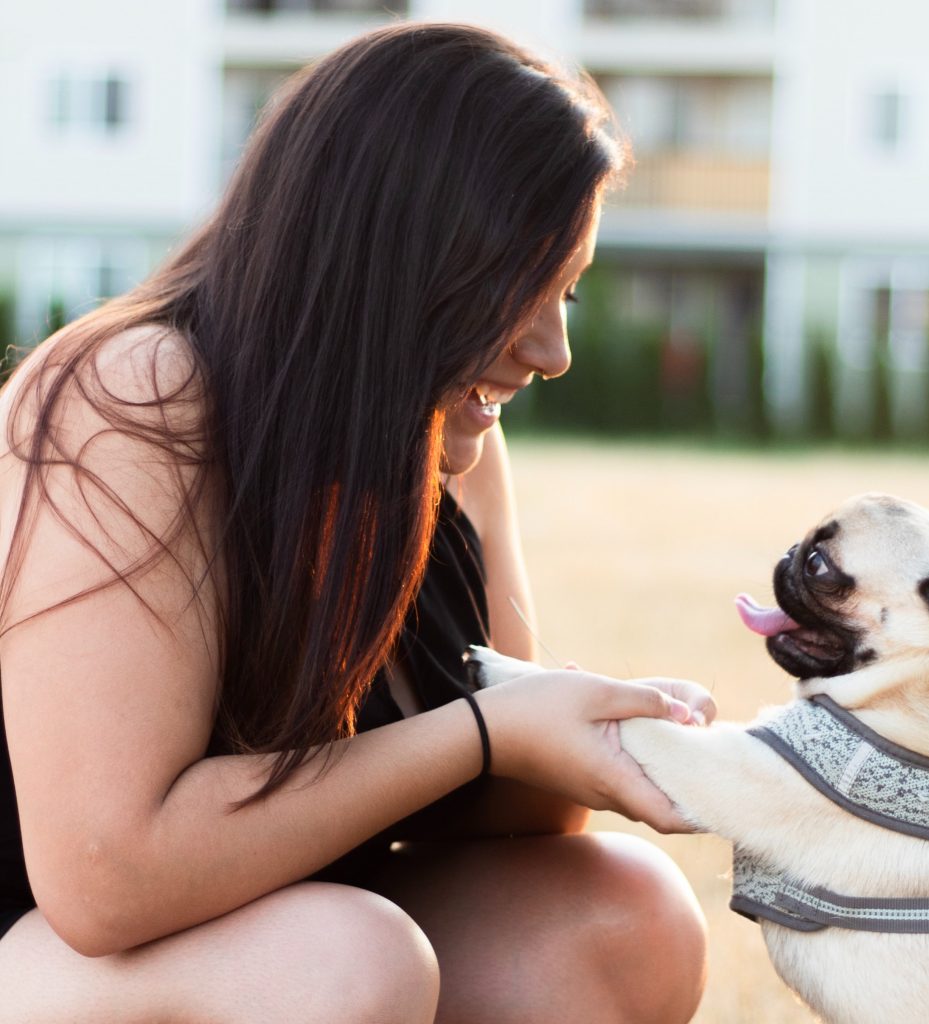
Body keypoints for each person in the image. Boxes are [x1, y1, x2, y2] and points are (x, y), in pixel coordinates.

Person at [0, 22, 714, 1024]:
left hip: (247, 931)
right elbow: (107, 878)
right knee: (341, 961)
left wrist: (575, 729)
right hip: (43, 947)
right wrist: (481, 730)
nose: (553, 350)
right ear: (395, 260)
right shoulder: (137, 395)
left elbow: (513, 814)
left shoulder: (441, 441)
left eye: (569, 292)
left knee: (626, 916)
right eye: (524, 288)